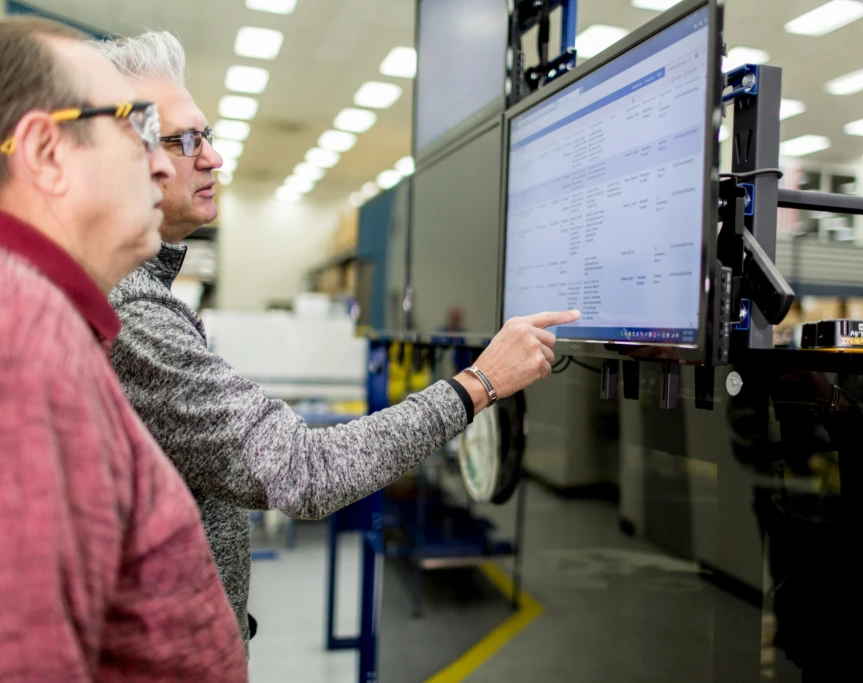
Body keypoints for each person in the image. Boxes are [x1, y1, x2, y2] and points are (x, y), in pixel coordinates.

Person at [93, 30, 579, 648]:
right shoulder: (130, 311)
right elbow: (303, 470)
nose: (212, 157)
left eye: (206, 136)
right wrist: (478, 384)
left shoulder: (138, 295)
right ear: (120, 159)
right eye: (186, 140)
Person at [0, 18, 246, 680]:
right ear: (47, 154)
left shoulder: (51, 318)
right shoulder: (25, 334)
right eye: (136, 129)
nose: (161, 163)